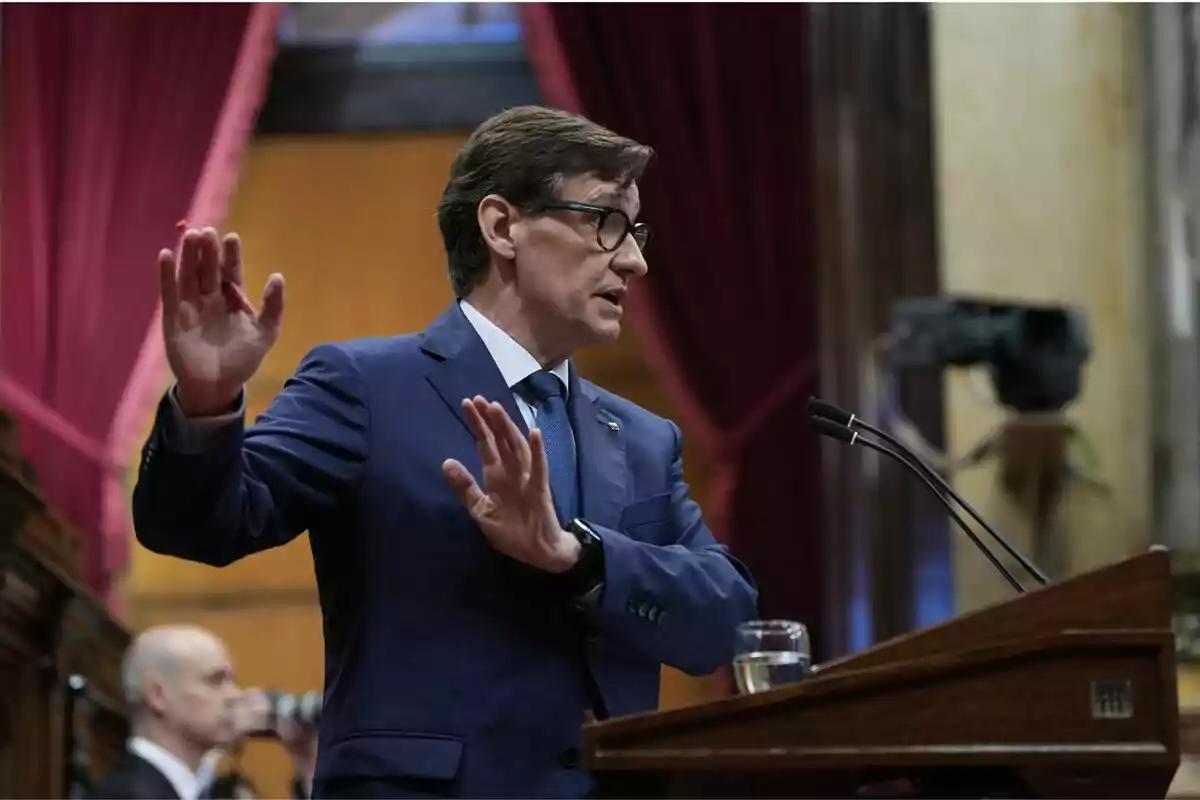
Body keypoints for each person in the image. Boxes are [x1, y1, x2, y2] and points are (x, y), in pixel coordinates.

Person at [132, 105, 759, 798]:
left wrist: (578, 556)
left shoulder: (642, 438)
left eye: (636, 232)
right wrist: (206, 403)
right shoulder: (366, 386)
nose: (635, 260)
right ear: (502, 227)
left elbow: (725, 624)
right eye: (606, 221)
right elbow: (201, 527)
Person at [93, 626, 240, 799]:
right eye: (215, 680)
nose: (235, 696)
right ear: (158, 696)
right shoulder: (127, 795)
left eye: (231, 682)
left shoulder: (212, 789)